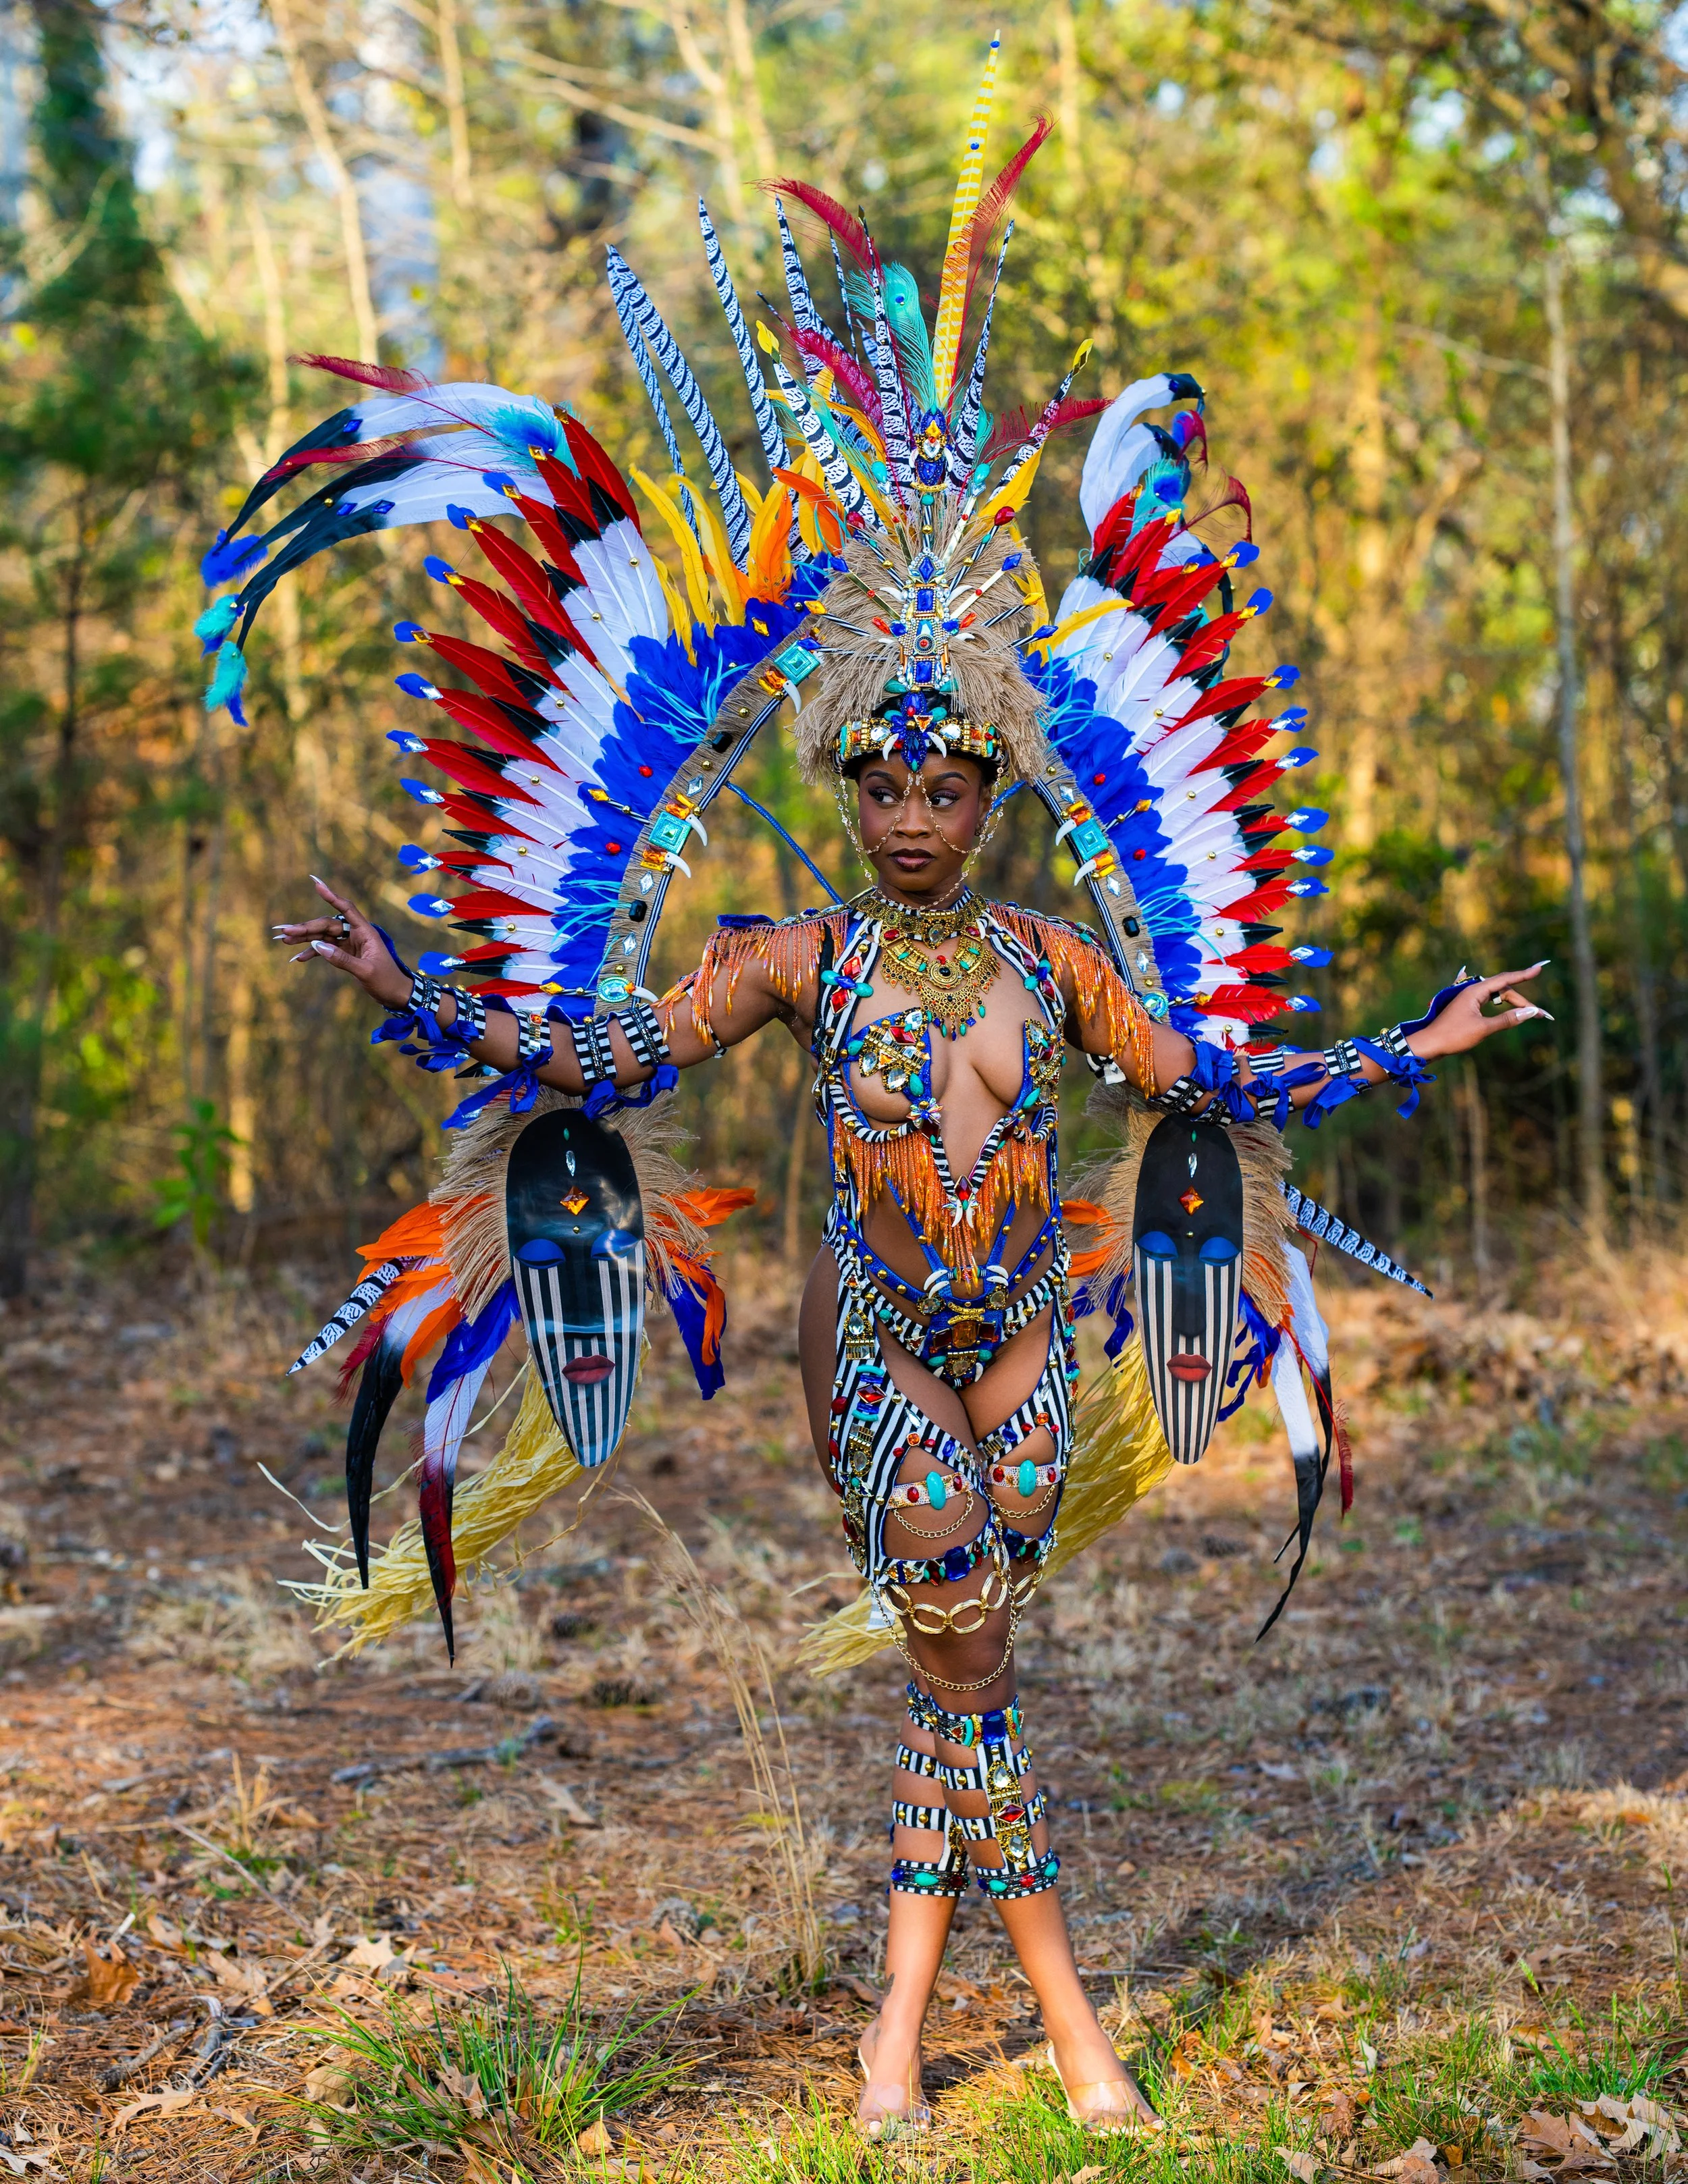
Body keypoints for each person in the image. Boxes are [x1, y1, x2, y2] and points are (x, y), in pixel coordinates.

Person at [217, 45, 1545, 2140]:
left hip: (1025, 1351)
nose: (917, 811)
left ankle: (891, 2039)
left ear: (995, 789)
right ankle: (1077, 2030)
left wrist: (1417, 1048)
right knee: (960, 1631)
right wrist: (414, 986)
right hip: (880, 1363)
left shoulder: (1052, 967)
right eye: (882, 778)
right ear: (838, 780)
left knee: (966, 1686)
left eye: (951, 779)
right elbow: (587, 1056)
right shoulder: (789, 962)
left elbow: (1221, 1078)